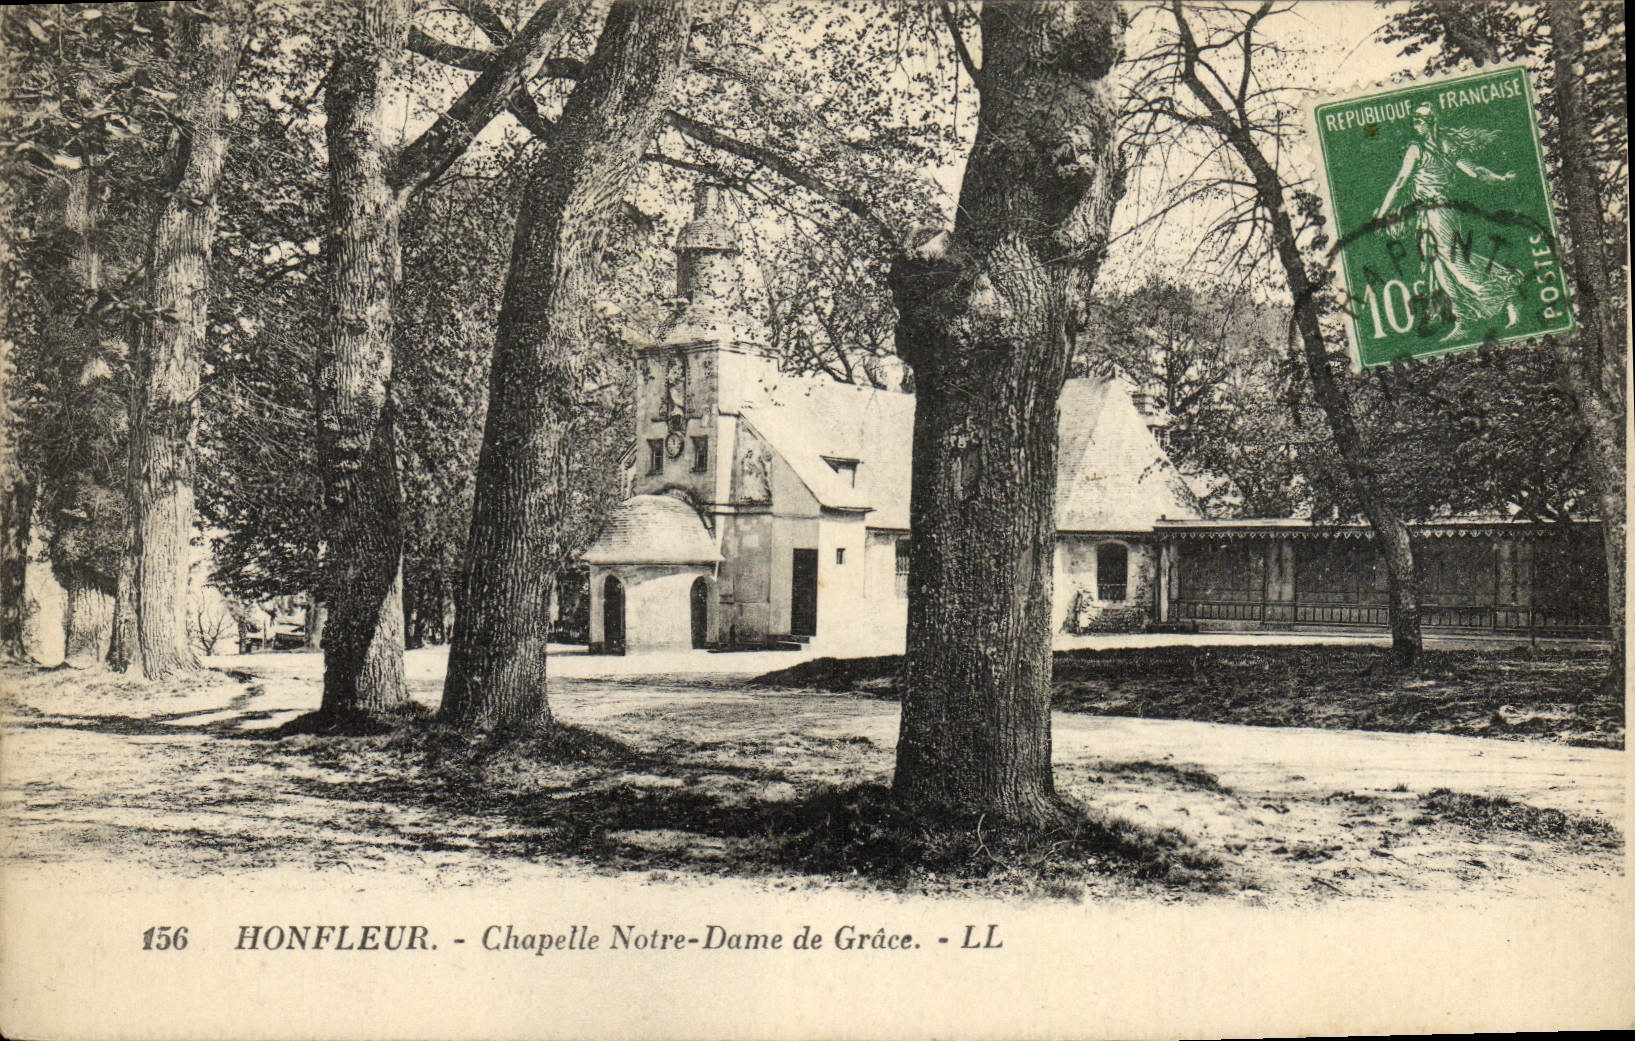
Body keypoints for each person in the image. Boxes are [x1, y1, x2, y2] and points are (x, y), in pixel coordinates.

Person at [1374, 104, 1522, 341]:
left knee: (1455, 264)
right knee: (1440, 266)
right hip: (1431, 214)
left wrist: (1381, 216)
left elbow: (1473, 171)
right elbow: (1402, 181)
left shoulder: (1424, 148)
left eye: (1420, 120)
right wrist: (1499, 178)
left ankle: (1504, 292)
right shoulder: (1435, 146)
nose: (1416, 124)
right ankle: (1465, 317)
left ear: (1432, 121)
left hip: (1439, 213)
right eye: (1415, 121)